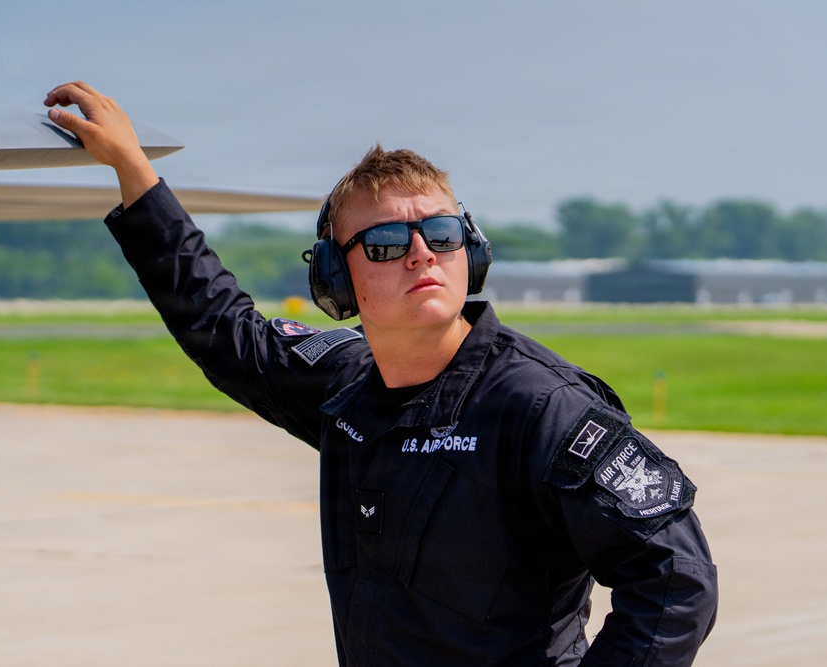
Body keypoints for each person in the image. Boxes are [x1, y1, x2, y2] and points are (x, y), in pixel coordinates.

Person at [44, 81, 718, 666]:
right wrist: (134, 170)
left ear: (470, 251)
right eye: (387, 243)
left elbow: (675, 576)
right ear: (338, 278)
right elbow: (225, 331)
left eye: (443, 233)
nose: (422, 254)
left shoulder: (541, 407)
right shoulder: (347, 391)